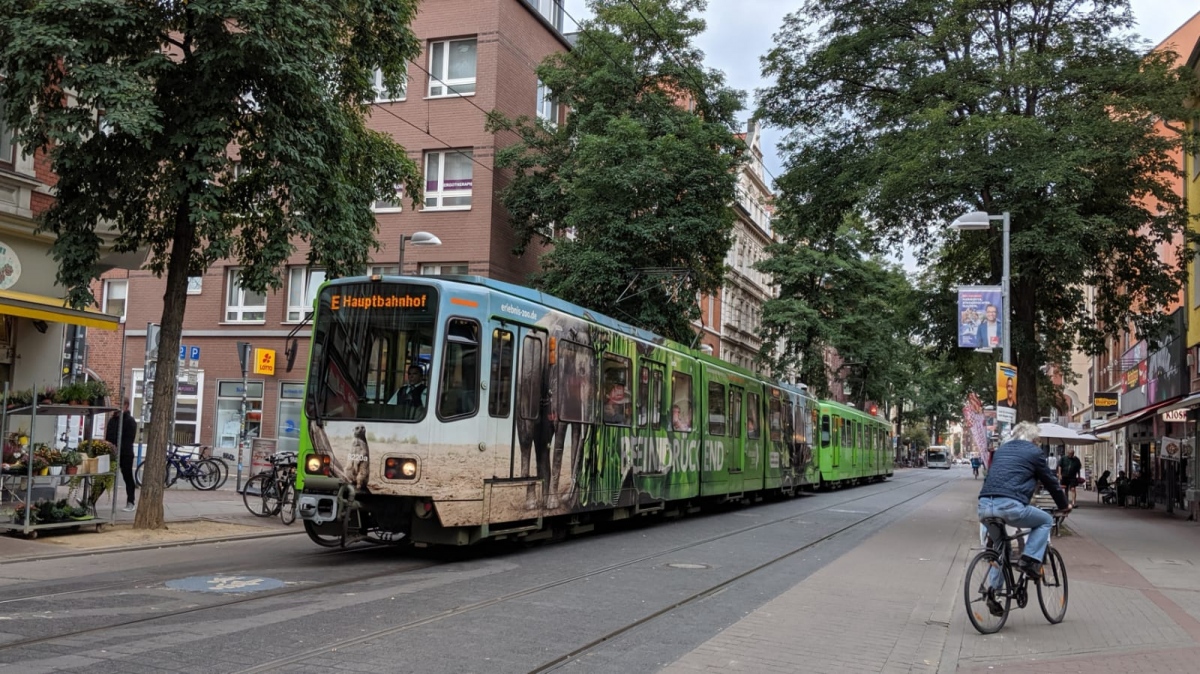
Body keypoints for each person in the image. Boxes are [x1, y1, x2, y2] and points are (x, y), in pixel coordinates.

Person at [977, 421, 1071, 614]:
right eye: (1036, 440)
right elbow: (1051, 482)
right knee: (1045, 520)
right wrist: (1064, 505)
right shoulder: (1034, 453)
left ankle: (993, 593)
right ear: (1033, 440)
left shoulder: (1002, 450)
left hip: (985, 506)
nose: (1037, 443)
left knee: (1001, 548)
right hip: (1010, 506)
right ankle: (1029, 560)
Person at [105, 401, 139, 512]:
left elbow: (129, 439)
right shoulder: (112, 420)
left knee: (127, 477)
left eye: (119, 405)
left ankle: (131, 502)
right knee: (105, 476)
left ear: (125, 406)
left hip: (125, 454)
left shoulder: (130, 421)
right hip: (112, 453)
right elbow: (108, 437)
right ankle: (91, 500)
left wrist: (119, 448)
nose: (116, 408)